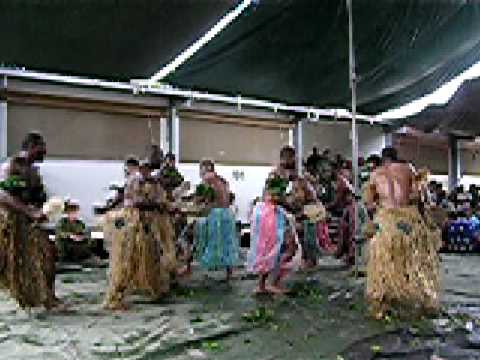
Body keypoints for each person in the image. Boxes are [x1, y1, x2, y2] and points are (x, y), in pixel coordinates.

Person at [364, 147, 441, 319]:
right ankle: (426, 302)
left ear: (383, 160)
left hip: (385, 223)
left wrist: (377, 218)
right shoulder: (408, 169)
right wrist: (427, 223)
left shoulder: (375, 174)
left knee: (382, 267)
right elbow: (419, 197)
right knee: (417, 263)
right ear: (397, 158)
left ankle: (382, 307)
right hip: (408, 220)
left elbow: (369, 204)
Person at [103, 160, 176, 310]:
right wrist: (158, 205)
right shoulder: (135, 181)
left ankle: (153, 287)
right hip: (133, 227)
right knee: (128, 262)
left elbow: (160, 201)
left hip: (149, 227)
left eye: (148, 170)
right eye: (143, 169)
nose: (146, 172)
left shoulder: (155, 183)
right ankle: (116, 297)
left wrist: (164, 205)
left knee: (151, 258)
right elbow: (134, 202)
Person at [0, 132, 58, 309]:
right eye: (42, 147)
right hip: (11, 221)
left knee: (48, 254)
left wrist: (47, 208)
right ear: (32, 147)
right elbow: (2, 195)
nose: (45, 151)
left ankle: (48, 296)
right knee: (13, 262)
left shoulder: (34, 171)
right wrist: (28, 211)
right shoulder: (12, 165)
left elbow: (36, 197)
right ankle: (24, 296)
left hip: (31, 223)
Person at [248, 175, 300, 294]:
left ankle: (266, 283)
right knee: (276, 250)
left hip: (268, 216)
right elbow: (278, 200)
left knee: (272, 250)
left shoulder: (267, 195)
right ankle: (270, 283)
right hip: (270, 218)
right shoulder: (274, 192)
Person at [193, 159, 239, 282]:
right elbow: (227, 198)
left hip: (216, 215)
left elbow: (199, 199)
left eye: (201, 169)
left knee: (211, 242)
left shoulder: (207, 179)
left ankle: (207, 271)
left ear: (206, 169)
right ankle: (229, 272)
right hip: (227, 214)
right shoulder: (222, 180)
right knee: (228, 243)